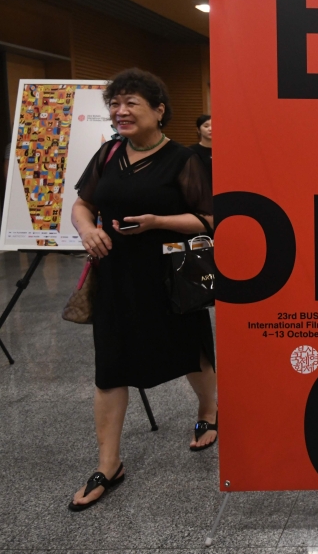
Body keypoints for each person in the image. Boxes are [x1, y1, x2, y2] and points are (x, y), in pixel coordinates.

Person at [68, 68, 217, 512]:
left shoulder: (181, 159)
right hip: (115, 274)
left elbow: (209, 219)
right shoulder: (108, 154)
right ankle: (108, 464)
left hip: (169, 273)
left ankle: (209, 411)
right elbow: (82, 204)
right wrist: (85, 231)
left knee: (189, 349)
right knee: (110, 364)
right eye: (115, 104)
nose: (120, 111)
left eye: (131, 103)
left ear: (158, 110)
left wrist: (157, 222)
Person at [190, 114, 212, 185]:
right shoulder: (191, 151)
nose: (210, 129)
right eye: (206, 126)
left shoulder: (224, 151)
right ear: (198, 130)